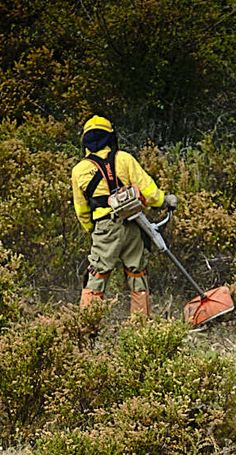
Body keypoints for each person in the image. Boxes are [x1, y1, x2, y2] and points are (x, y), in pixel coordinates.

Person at [71, 115, 177, 316]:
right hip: (133, 224)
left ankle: (87, 328)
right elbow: (148, 190)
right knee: (137, 272)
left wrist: (92, 230)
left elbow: (82, 209)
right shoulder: (124, 159)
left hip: (105, 228)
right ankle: (140, 327)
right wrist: (164, 200)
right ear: (110, 137)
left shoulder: (79, 170)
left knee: (97, 274)